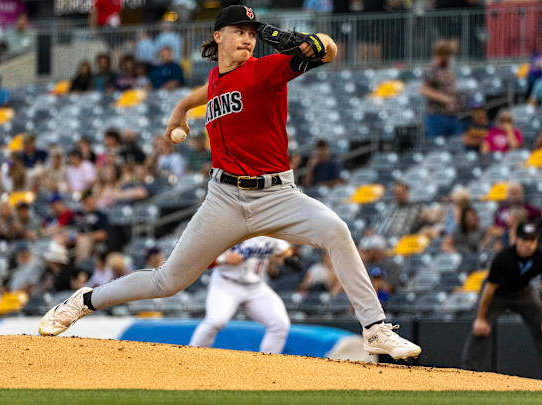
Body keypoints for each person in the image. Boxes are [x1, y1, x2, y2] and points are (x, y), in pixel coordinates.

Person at [39, 5, 420, 360]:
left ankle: (375, 327)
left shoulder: (267, 68)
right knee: (168, 280)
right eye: (239, 31)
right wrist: (178, 112)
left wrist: (309, 43)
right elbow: (205, 92)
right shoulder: (217, 77)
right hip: (223, 198)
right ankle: (83, 302)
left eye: (252, 33)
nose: (248, 39)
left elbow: (330, 51)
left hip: (277, 195)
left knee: (336, 230)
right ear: (218, 36)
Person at [462, 222, 542, 382]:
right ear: (516, 240)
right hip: (497, 294)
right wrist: (481, 319)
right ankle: (467, 376)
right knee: (480, 330)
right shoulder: (503, 257)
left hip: (523, 292)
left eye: (532, 240)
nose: (528, 245)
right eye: (524, 240)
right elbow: (488, 290)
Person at [189, 237, 293, 353]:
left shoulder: (269, 228)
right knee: (215, 321)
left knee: (280, 324)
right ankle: (190, 358)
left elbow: (285, 250)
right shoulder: (229, 227)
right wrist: (222, 259)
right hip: (226, 283)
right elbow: (201, 259)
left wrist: (285, 256)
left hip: (256, 287)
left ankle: (267, 366)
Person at [421, 40, 462, 138]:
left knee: (455, 147)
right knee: (436, 149)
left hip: (452, 115)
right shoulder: (432, 68)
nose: (449, 58)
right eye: (447, 55)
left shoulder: (448, 68)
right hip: (437, 116)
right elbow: (424, 89)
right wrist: (444, 98)